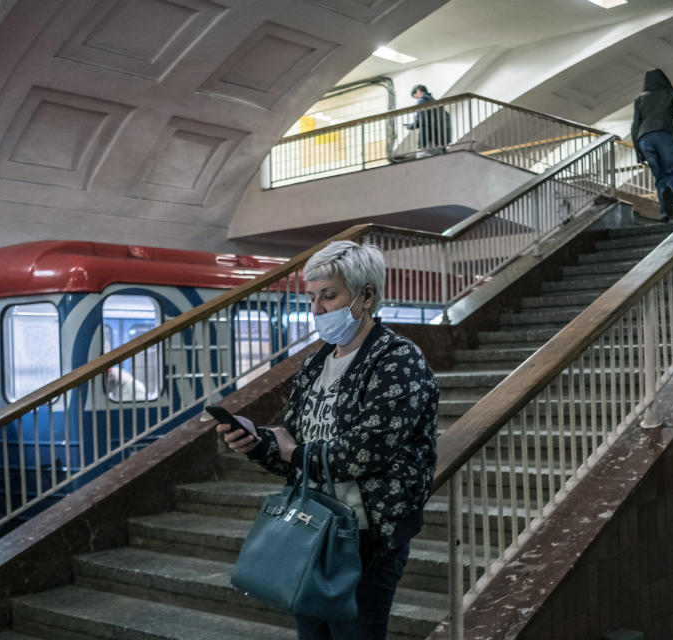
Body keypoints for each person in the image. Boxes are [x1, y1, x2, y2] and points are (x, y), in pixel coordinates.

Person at [216, 240, 439, 640]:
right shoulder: (317, 361)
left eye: (328, 296)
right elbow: (292, 444)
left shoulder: (397, 360)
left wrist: (295, 450)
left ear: (366, 295)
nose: (316, 309)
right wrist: (257, 442)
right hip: (312, 527)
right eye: (311, 298)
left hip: (366, 537)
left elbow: (368, 450)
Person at [631, 69, 673, 223]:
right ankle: (669, 190)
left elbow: (635, 125)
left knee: (659, 177)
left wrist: (637, 151)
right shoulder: (672, 94)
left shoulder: (640, 99)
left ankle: (665, 213)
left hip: (644, 139)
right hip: (664, 135)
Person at [406, 84, 450, 158]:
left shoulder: (422, 100)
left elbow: (422, 120)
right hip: (440, 138)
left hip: (428, 138)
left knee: (421, 159)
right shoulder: (435, 101)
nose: (416, 99)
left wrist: (410, 126)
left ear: (418, 91)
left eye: (415, 96)